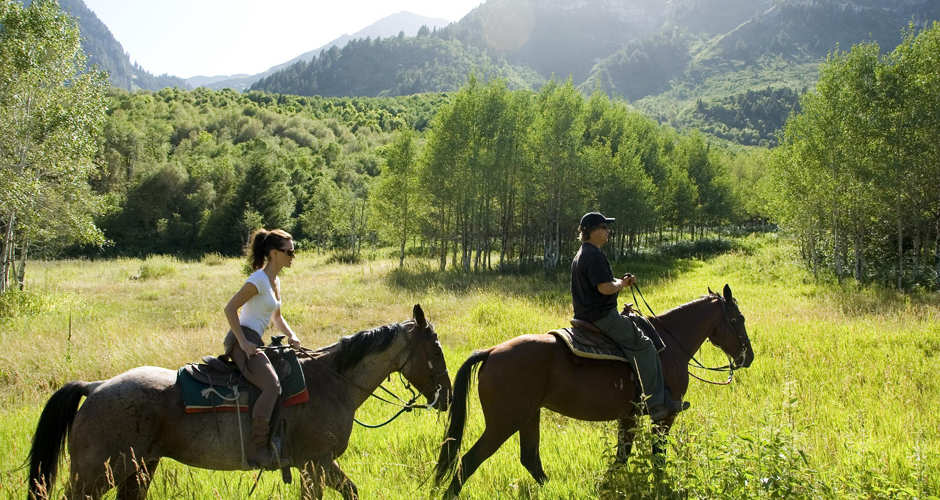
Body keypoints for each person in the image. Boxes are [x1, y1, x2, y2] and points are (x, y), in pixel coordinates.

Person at [570, 212, 683, 421]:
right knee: (645, 345)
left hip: (587, 315)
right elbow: (604, 288)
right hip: (602, 317)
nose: (608, 231)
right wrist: (621, 284)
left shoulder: (583, 253)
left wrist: (620, 281)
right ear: (593, 231)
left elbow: (603, 281)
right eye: (604, 227)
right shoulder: (593, 255)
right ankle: (656, 404)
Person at [223, 228, 301, 467]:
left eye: (294, 251)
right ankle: (258, 450)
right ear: (274, 253)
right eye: (289, 251)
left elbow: (277, 318)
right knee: (272, 386)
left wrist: (292, 335)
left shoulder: (275, 281)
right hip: (242, 341)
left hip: (256, 340)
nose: (293, 256)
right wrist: (244, 343)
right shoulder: (257, 279)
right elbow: (229, 309)